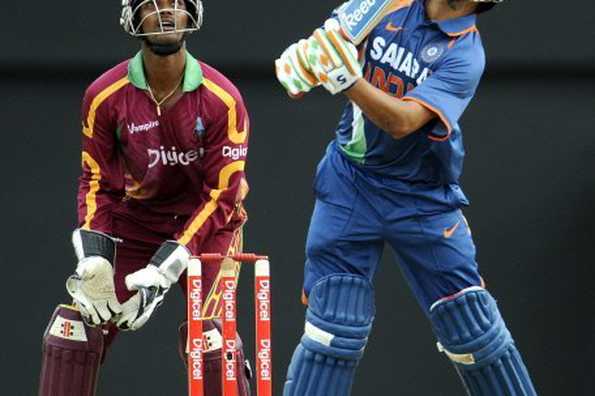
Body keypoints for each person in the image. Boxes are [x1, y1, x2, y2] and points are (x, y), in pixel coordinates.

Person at [275, 0, 538, 395]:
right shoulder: (387, 2)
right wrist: (306, 61)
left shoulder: (466, 55)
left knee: (473, 331)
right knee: (333, 328)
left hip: (421, 198)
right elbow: (325, 48)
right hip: (350, 181)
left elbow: (401, 122)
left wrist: (348, 80)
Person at [38, 1, 252, 395]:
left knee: (210, 339)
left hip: (209, 230)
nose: (165, 12)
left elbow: (222, 195)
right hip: (136, 224)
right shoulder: (105, 96)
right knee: (72, 332)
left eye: (176, 4)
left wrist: (167, 265)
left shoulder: (223, 99)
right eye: (153, 4)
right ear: (132, 16)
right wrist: (96, 256)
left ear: (193, 14)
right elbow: (97, 181)